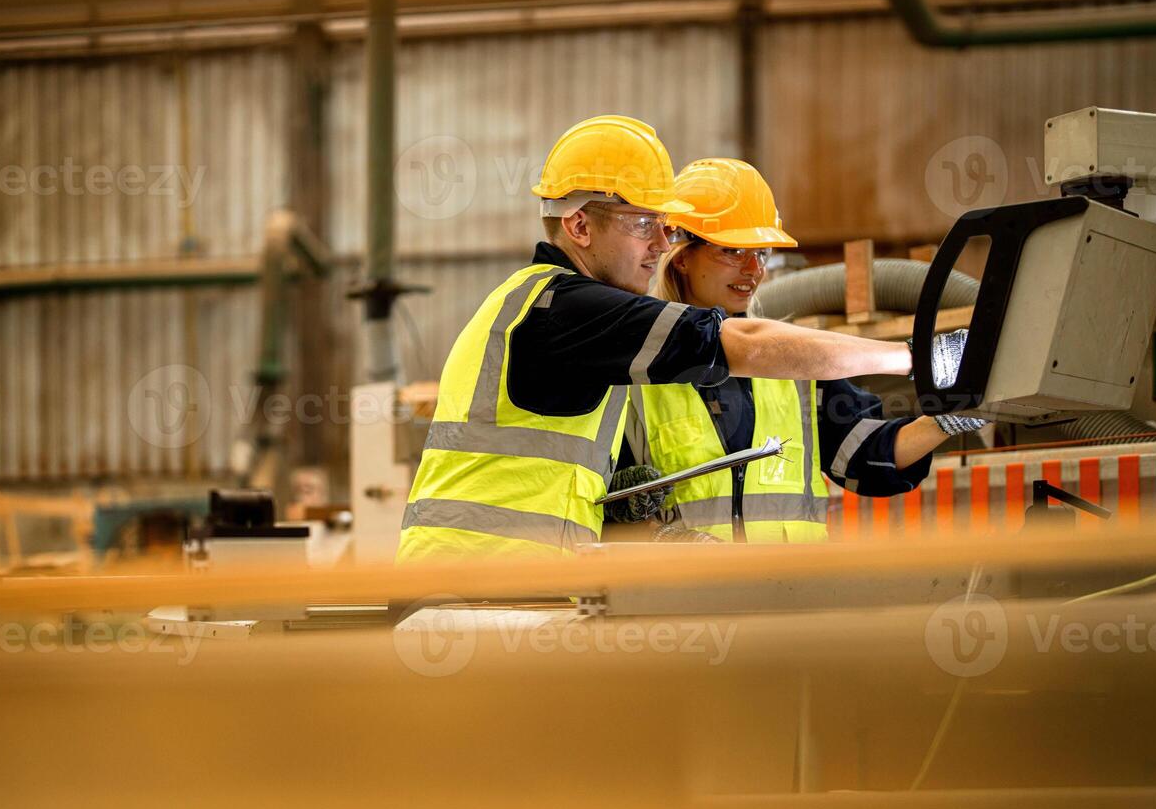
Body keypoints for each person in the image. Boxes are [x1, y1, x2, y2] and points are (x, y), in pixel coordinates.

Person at [395, 115, 951, 563]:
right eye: (643, 225)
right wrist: (916, 358)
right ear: (580, 227)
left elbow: (864, 455)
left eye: (663, 225)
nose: (659, 243)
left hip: (510, 583)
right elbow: (742, 345)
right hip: (484, 584)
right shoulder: (565, 309)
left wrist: (955, 414)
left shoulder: (553, 309)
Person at [621, 157, 984, 543]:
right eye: (733, 251)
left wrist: (948, 419)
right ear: (681, 257)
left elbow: (868, 455)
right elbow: (602, 499)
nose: (753, 269)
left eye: (761, 253)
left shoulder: (794, 364)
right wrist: (646, 531)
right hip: (682, 596)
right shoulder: (635, 366)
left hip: (791, 595)